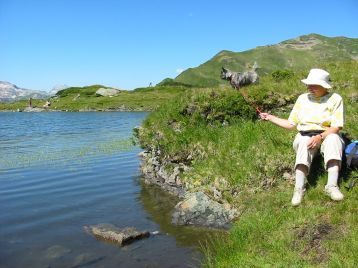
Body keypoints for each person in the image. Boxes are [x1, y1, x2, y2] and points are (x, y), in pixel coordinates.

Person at [260, 68, 345, 206]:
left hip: (327, 133)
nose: (309, 87)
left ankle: (331, 186)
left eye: (314, 85)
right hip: (305, 134)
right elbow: (290, 124)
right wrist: (270, 117)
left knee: (334, 139)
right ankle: (298, 189)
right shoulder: (302, 99)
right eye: (308, 84)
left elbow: (336, 126)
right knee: (304, 142)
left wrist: (320, 137)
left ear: (324, 86)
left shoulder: (336, 99)